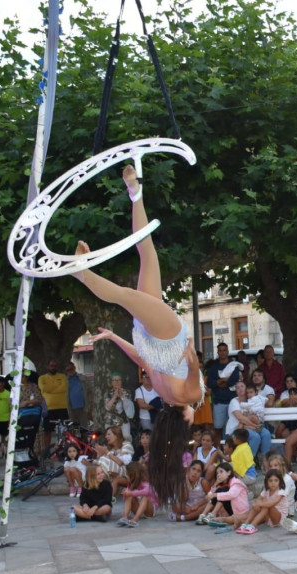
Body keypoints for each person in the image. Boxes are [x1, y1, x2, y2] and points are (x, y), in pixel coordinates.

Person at [70, 166, 204, 506]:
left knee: (126, 293)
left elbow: (191, 367)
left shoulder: (185, 396)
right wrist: (115, 337)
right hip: (150, 338)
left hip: (165, 336)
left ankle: (83, 273)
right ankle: (134, 192)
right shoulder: (161, 391)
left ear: (183, 420)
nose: (194, 418)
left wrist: (191, 359)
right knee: (147, 253)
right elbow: (141, 360)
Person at [236, 469, 288, 534]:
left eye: (276, 480)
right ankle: (246, 523)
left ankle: (253, 525)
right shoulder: (266, 491)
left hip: (279, 519)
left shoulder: (281, 493)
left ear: (280, 482)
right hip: (269, 518)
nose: (273, 483)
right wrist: (256, 504)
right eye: (270, 481)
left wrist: (260, 504)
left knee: (266, 506)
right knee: (259, 505)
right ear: (267, 482)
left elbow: (272, 503)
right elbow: (258, 500)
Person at [38, 359, 69, 450]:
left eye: (55, 366)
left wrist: (50, 389)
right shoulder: (42, 378)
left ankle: (62, 450)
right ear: (47, 367)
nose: (53, 367)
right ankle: (47, 451)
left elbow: (63, 388)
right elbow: (43, 388)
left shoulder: (63, 376)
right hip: (48, 409)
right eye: (51, 366)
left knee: (63, 431)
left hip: (62, 408)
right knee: (47, 431)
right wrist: (56, 387)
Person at [117, 462, 156, 528]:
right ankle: (125, 517)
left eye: (127, 474)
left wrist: (132, 493)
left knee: (145, 497)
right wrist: (125, 494)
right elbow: (126, 499)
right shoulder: (130, 484)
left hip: (149, 511)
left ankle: (135, 519)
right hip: (137, 509)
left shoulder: (144, 482)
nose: (125, 476)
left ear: (133, 475)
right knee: (128, 495)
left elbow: (147, 491)